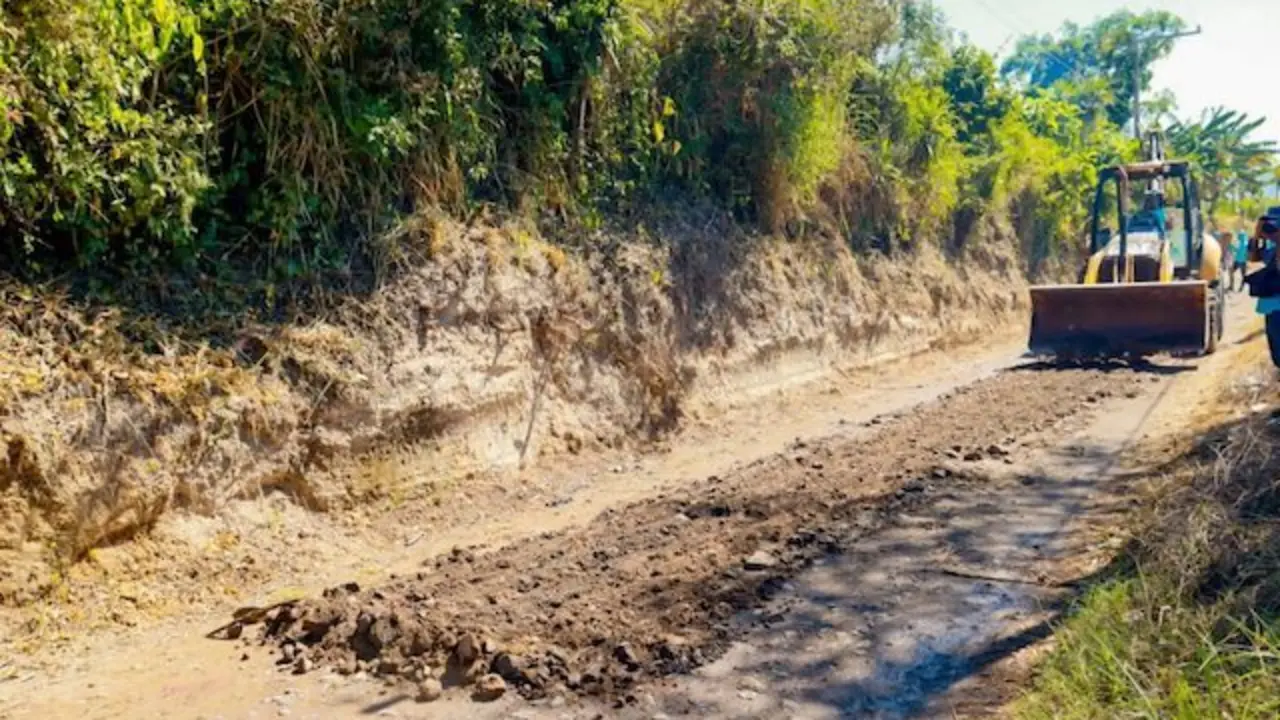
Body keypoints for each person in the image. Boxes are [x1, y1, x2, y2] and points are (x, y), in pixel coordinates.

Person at [1251, 214, 1280, 367]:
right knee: (1276, 354)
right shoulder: (1270, 251)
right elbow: (1253, 256)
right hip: (1271, 308)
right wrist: (1257, 236)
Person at [1235, 227, 1251, 292]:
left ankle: (1241, 288)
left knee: (1243, 276)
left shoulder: (1246, 243)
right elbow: (1236, 251)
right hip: (1237, 260)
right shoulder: (1239, 243)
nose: (1239, 236)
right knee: (1242, 275)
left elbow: (1248, 253)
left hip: (1243, 262)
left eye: (1240, 235)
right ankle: (1234, 286)